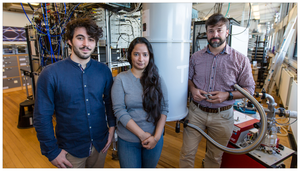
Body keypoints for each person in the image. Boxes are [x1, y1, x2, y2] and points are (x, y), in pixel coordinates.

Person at [33, 17, 116, 168]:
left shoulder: (103, 71)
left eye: (91, 39)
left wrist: (112, 129)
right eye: (80, 38)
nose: (86, 44)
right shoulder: (51, 73)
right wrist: (51, 151)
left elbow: (110, 102)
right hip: (70, 150)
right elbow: (41, 116)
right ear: (69, 41)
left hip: (100, 145)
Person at [179, 13, 255, 168]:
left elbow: (250, 89)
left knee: (214, 158)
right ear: (206, 33)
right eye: (211, 31)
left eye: (219, 30)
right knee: (187, 153)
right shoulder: (195, 57)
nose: (215, 35)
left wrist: (228, 95)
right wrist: (192, 89)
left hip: (223, 116)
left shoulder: (240, 59)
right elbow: (188, 79)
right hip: (196, 113)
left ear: (227, 32)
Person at [111, 37, 169, 168]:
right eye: (136, 54)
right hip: (127, 141)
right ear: (130, 55)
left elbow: (164, 109)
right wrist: (142, 135)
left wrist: (156, 137)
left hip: (154, 139)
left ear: (150, 56)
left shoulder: (157, 79)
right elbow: (119, 111)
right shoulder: (121, 79)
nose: (140, 59)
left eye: (145, 54)